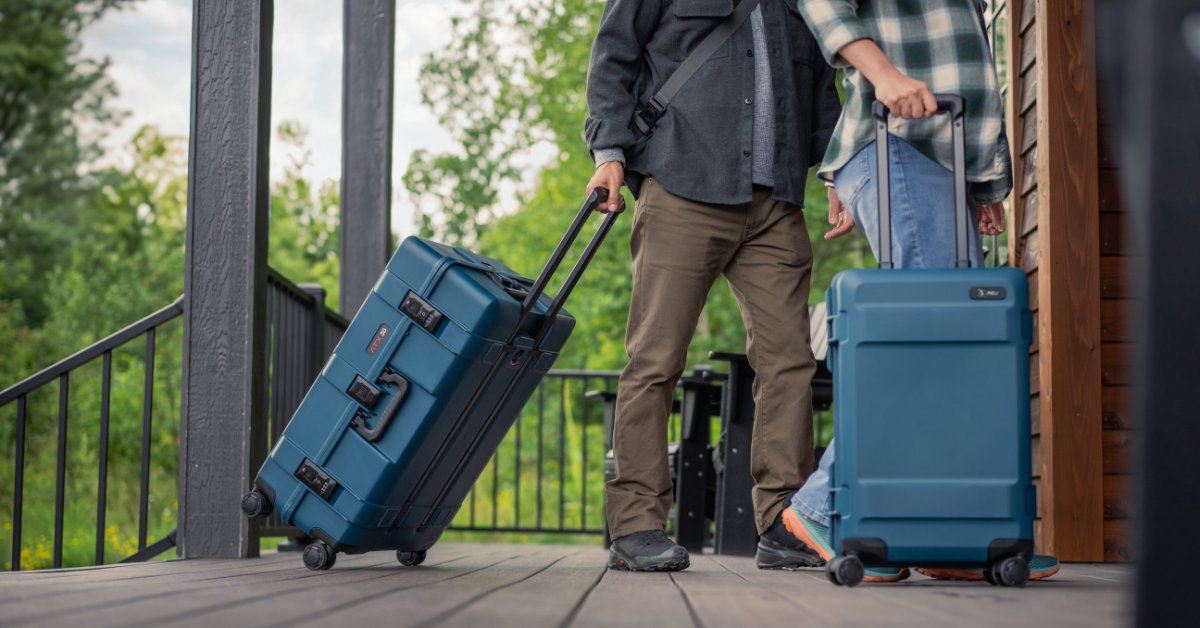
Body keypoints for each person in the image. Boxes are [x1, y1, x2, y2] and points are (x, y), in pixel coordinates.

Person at [784, 0, 1060, 583]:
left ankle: (950, 534)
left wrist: (984, 181)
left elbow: (967, 65)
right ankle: (821, 505)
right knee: (934, 340)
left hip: (939, 157)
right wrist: (882, 76)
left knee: (957, 354)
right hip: (900, 147)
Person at [585, 0, 842, 571]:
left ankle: (783, 521)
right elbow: (614, 54)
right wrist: (608, 153)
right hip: (682, 184)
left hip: (776, 200)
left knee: (790, 361)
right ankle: (636, 525)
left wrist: (836, 172)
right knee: (655, 359)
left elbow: (823, 87)